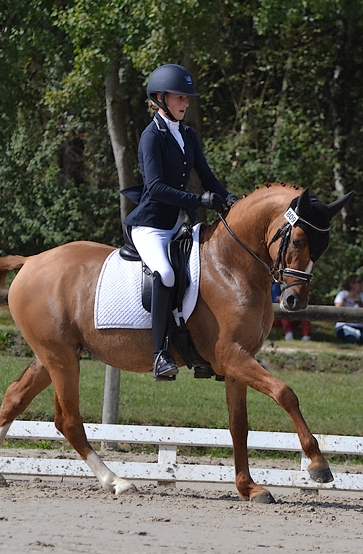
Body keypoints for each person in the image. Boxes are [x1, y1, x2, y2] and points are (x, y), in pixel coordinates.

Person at [121, 64, 238, 381]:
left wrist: (229, 200)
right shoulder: (151, 137)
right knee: (167, 274)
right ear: (160, 98)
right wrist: (199, 201)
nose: (185, 102)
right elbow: (155, 188)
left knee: (204, 274)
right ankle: (160, 354)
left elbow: (208, 176)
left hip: (178, 225)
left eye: (187, 97)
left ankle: (198, 351)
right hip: (151, 226)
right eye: (179, 97)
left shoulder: (187, 134)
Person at [333, 275, 363, 345]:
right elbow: (337, 310)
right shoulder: (342, 294)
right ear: (351, 284)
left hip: (361, 326)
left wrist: (359, 302)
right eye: (359, 282)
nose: (361, 284)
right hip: (345, 325)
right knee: (348, 337)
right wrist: (345, 299)